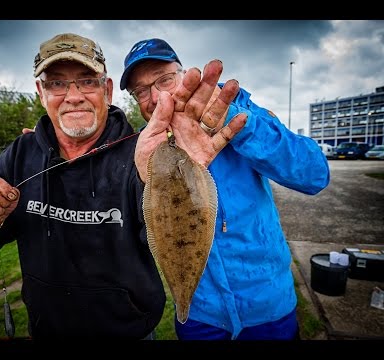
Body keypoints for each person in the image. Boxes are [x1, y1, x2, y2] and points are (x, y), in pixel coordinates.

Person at [0, 33, 241, 339]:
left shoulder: (143, 153)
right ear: (41, 93)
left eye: (87, 81)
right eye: (56, 83)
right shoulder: (20, 153)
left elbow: (169, 236)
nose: (73, 95)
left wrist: (164, 178)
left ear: (107, 90)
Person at [122, 38, 331, 340]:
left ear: (183, 76)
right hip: (198, 315)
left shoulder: (238, 114)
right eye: (140, 91)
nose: (155, 98)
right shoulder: (142, 148)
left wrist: (238, 124)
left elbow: (314, 174)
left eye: (164, 79)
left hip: (269, 309)